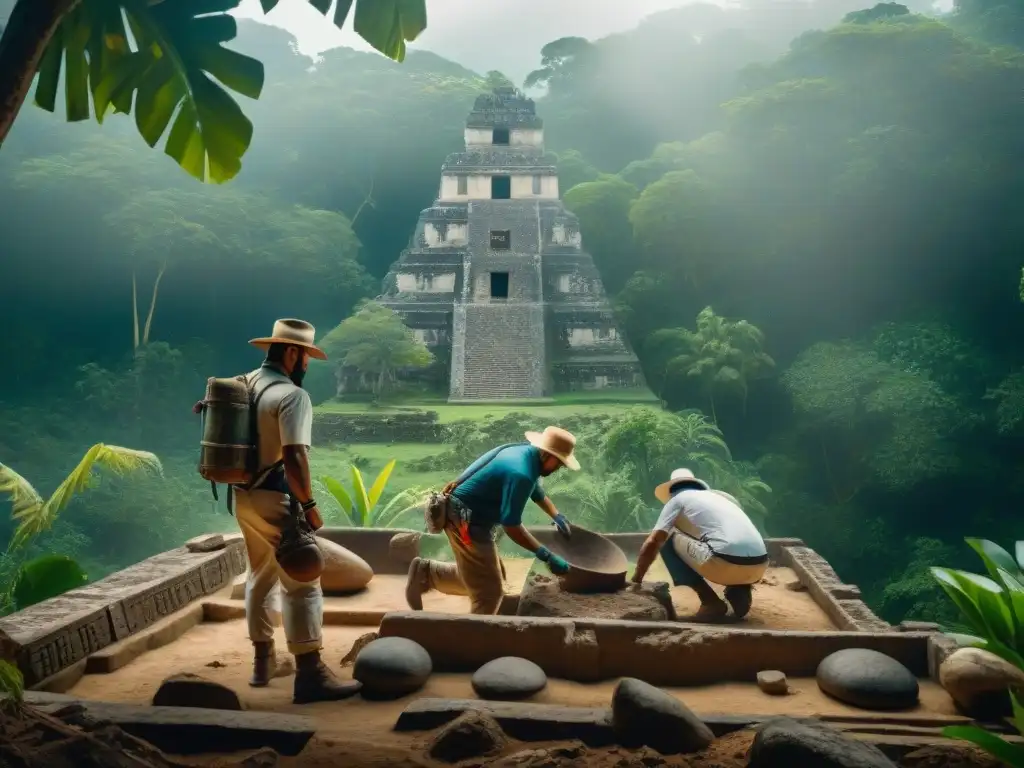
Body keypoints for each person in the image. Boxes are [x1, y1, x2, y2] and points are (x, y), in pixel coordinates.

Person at [232, 318, 359, 703]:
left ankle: (262, 661)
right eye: (305, 357)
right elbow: (295, 456)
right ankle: (310, 673)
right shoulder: (291, 396)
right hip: (277, 499)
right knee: (303, 582)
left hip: (242, 496)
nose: (306, 365)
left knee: (259, 573)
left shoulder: (246, 384)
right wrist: (310, 505)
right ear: (292, 353)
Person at [405, 426, 580, 615]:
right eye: (560, 462)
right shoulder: (521, 473)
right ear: (548, 454)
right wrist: (546, 555)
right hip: (465, 521)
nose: (560, 467)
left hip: (469, 515)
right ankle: (475, 640)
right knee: (489, 593)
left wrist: (556, 515)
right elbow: (511, 525)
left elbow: (536, 492)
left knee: (484, 576)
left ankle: (426, 574)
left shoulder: (524, 453)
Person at [630, 468, 768, 621]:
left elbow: (654, 541)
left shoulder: (678, 499)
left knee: (667, 539)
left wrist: (636, 580)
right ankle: (741, 590)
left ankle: (710, 601)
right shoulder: (723, 499)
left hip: (723, 563)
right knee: (725, 542)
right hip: (759, 565)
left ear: (671, 491)